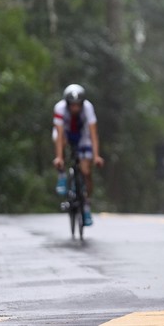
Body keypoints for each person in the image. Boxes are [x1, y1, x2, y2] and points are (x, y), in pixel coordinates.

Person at [52, 84, 104, 226]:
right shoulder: (60, 108)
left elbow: (93, 134)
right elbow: (60, 132)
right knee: (59, 139)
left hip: (83, 135)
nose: (75, 108)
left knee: (86, 170)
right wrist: (59, 157)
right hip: (66, 133)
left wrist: (96, 155)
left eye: (78, 105)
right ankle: (62, 174)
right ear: (67, 103)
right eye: (72, 105)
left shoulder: (88, 108)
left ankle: (86, 204)